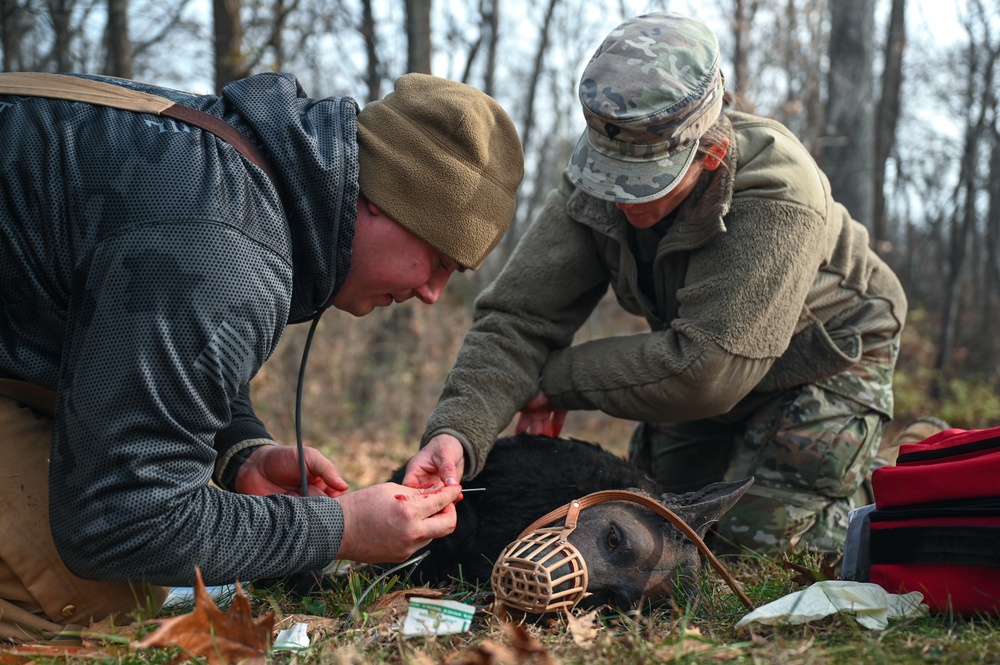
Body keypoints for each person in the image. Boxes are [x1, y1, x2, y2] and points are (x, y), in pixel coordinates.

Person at [0, 70, 523, 641]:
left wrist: (241, 452)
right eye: (440, 261)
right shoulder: (224, 246)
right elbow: (120, 520)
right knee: (90, 604)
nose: (432, 294)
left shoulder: (242, 182)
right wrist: (339, 528)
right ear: (385, 203)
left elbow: (140, 339)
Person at [405, 12, 907, 558]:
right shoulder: (595, 178)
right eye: (609, 176)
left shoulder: (780, 191)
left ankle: (885, 467)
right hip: (704, 355)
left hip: (823, 355)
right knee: (665, 533)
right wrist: (456, 432)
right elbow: (518, 319)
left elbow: (708, 372)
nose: (621, 198)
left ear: (709, 153)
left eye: (646, 184)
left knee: (752, 550)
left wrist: (550, 381)